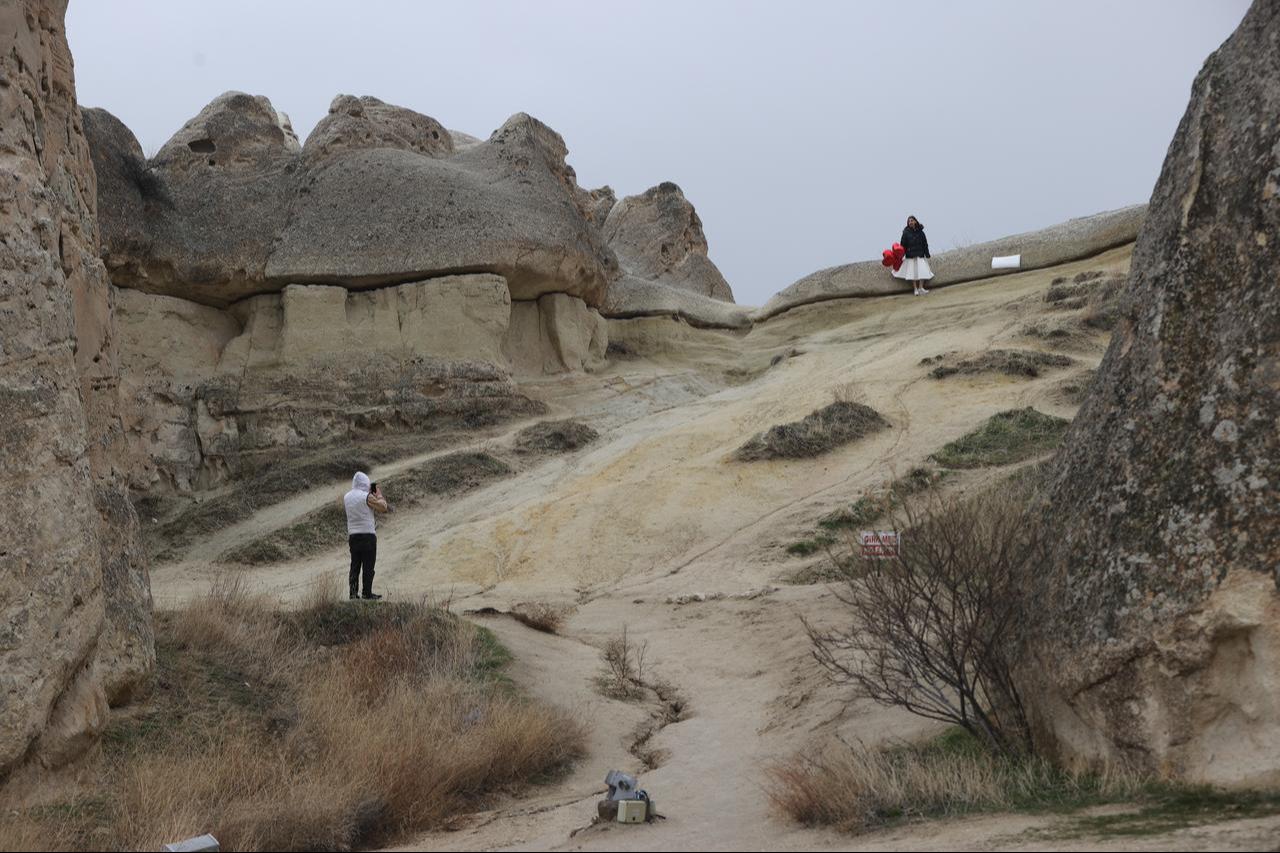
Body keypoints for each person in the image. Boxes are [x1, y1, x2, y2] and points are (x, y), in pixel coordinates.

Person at [343, 471, 389, 600]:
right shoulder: (366, 496)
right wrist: (379, 495)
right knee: (368, 566)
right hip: (367, 535)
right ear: (365, 483)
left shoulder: (347, 497)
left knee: (355, 566)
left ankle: (353, 594)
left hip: (353, 535)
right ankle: (367, 593)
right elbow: (383, 507)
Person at [894, 215, 933, 295]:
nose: (910, 222)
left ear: (915, 221)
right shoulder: (905, 233)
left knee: (923, 271)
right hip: (910, 255)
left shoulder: (921, 232)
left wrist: (927, 253)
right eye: (909, 221)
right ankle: (915, 289)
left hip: (920, 254)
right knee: (912, 273)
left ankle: (921, 288)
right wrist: (901, 255)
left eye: (912, 220)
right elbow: (902, 246)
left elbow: (925, 243)